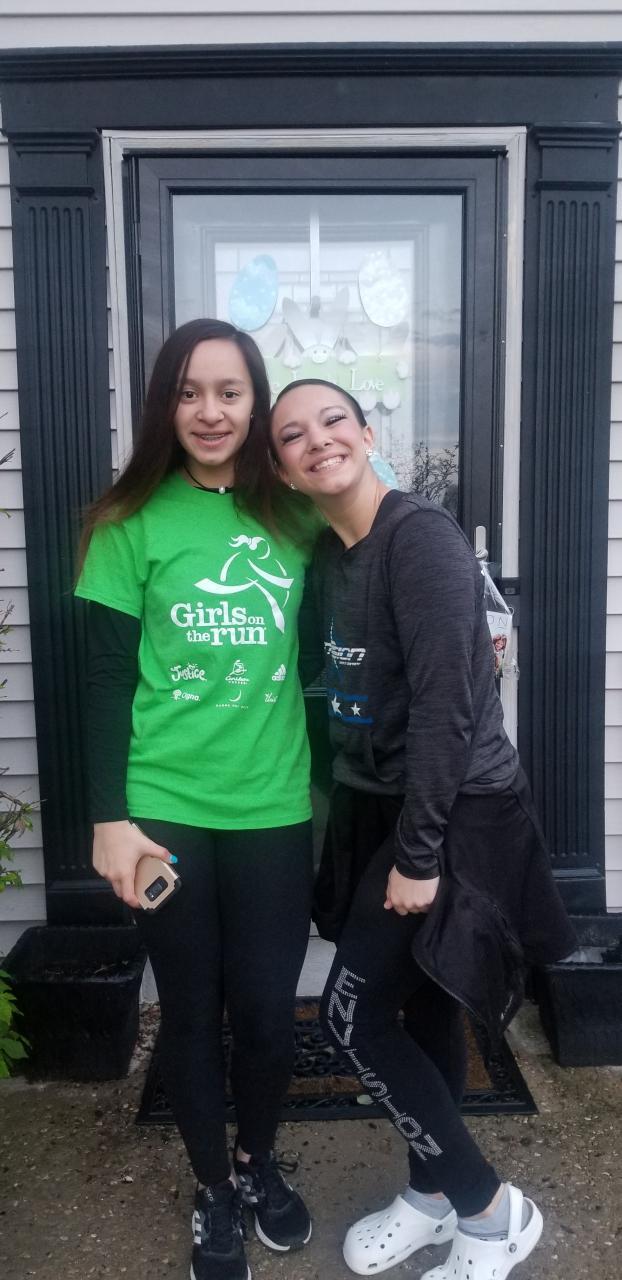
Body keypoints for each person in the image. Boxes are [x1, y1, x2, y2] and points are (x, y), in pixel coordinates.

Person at [269, 378, 577, 1280]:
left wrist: (417, 853)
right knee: (425, 1000)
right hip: (375, 805)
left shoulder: (421, 541)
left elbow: (449, 709)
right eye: (293, 436)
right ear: (283, 470)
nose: (318, 440)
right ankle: (431, 1194)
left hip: (452, 811)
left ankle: (491, 1211)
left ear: (367, 435)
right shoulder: (329, 556)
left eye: (333, 421)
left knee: (352, 1014)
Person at [75, 320, 318, 1280]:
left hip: (274, 808)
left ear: (255, 404)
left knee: (265, 1013)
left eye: (229, 391)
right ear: (163, 408)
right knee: (188, 1010)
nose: (209, 412)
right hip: (163, 809)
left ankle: (257, 1164)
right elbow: (103, 680)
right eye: (188, 393)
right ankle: (213, 1189)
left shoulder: (294, 515)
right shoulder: (127, 522)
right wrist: (109, 818)